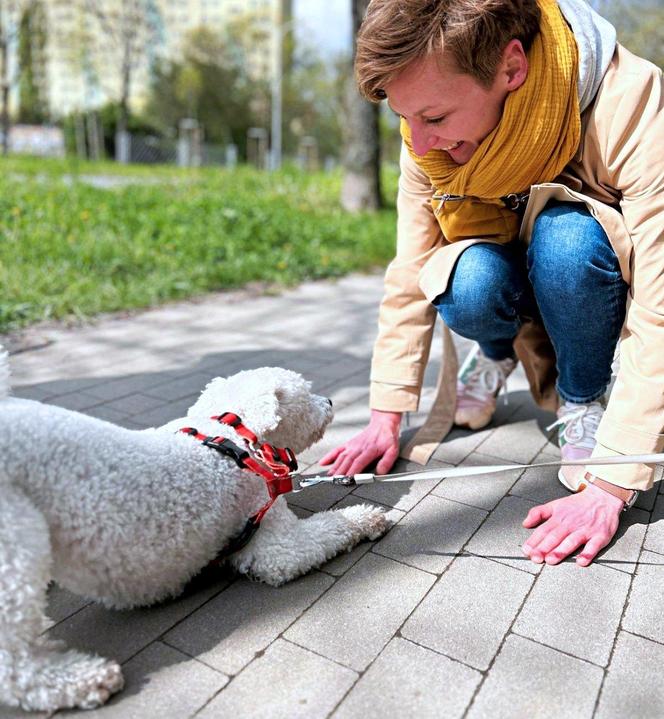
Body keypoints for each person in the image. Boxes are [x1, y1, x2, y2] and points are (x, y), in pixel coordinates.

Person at [320, 0, 663, 567]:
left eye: (434, 118)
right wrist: (386, 414)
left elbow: (658, 301)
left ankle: (580, 396)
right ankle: (499, 350)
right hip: (508, 277)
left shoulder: (632, 101)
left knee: (566, 239)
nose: (419, 143)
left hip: (586, 280)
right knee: (466, 280)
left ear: (511, 69)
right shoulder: (425, 141)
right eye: (404, 119)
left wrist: (615, 478)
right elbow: (411, 268)